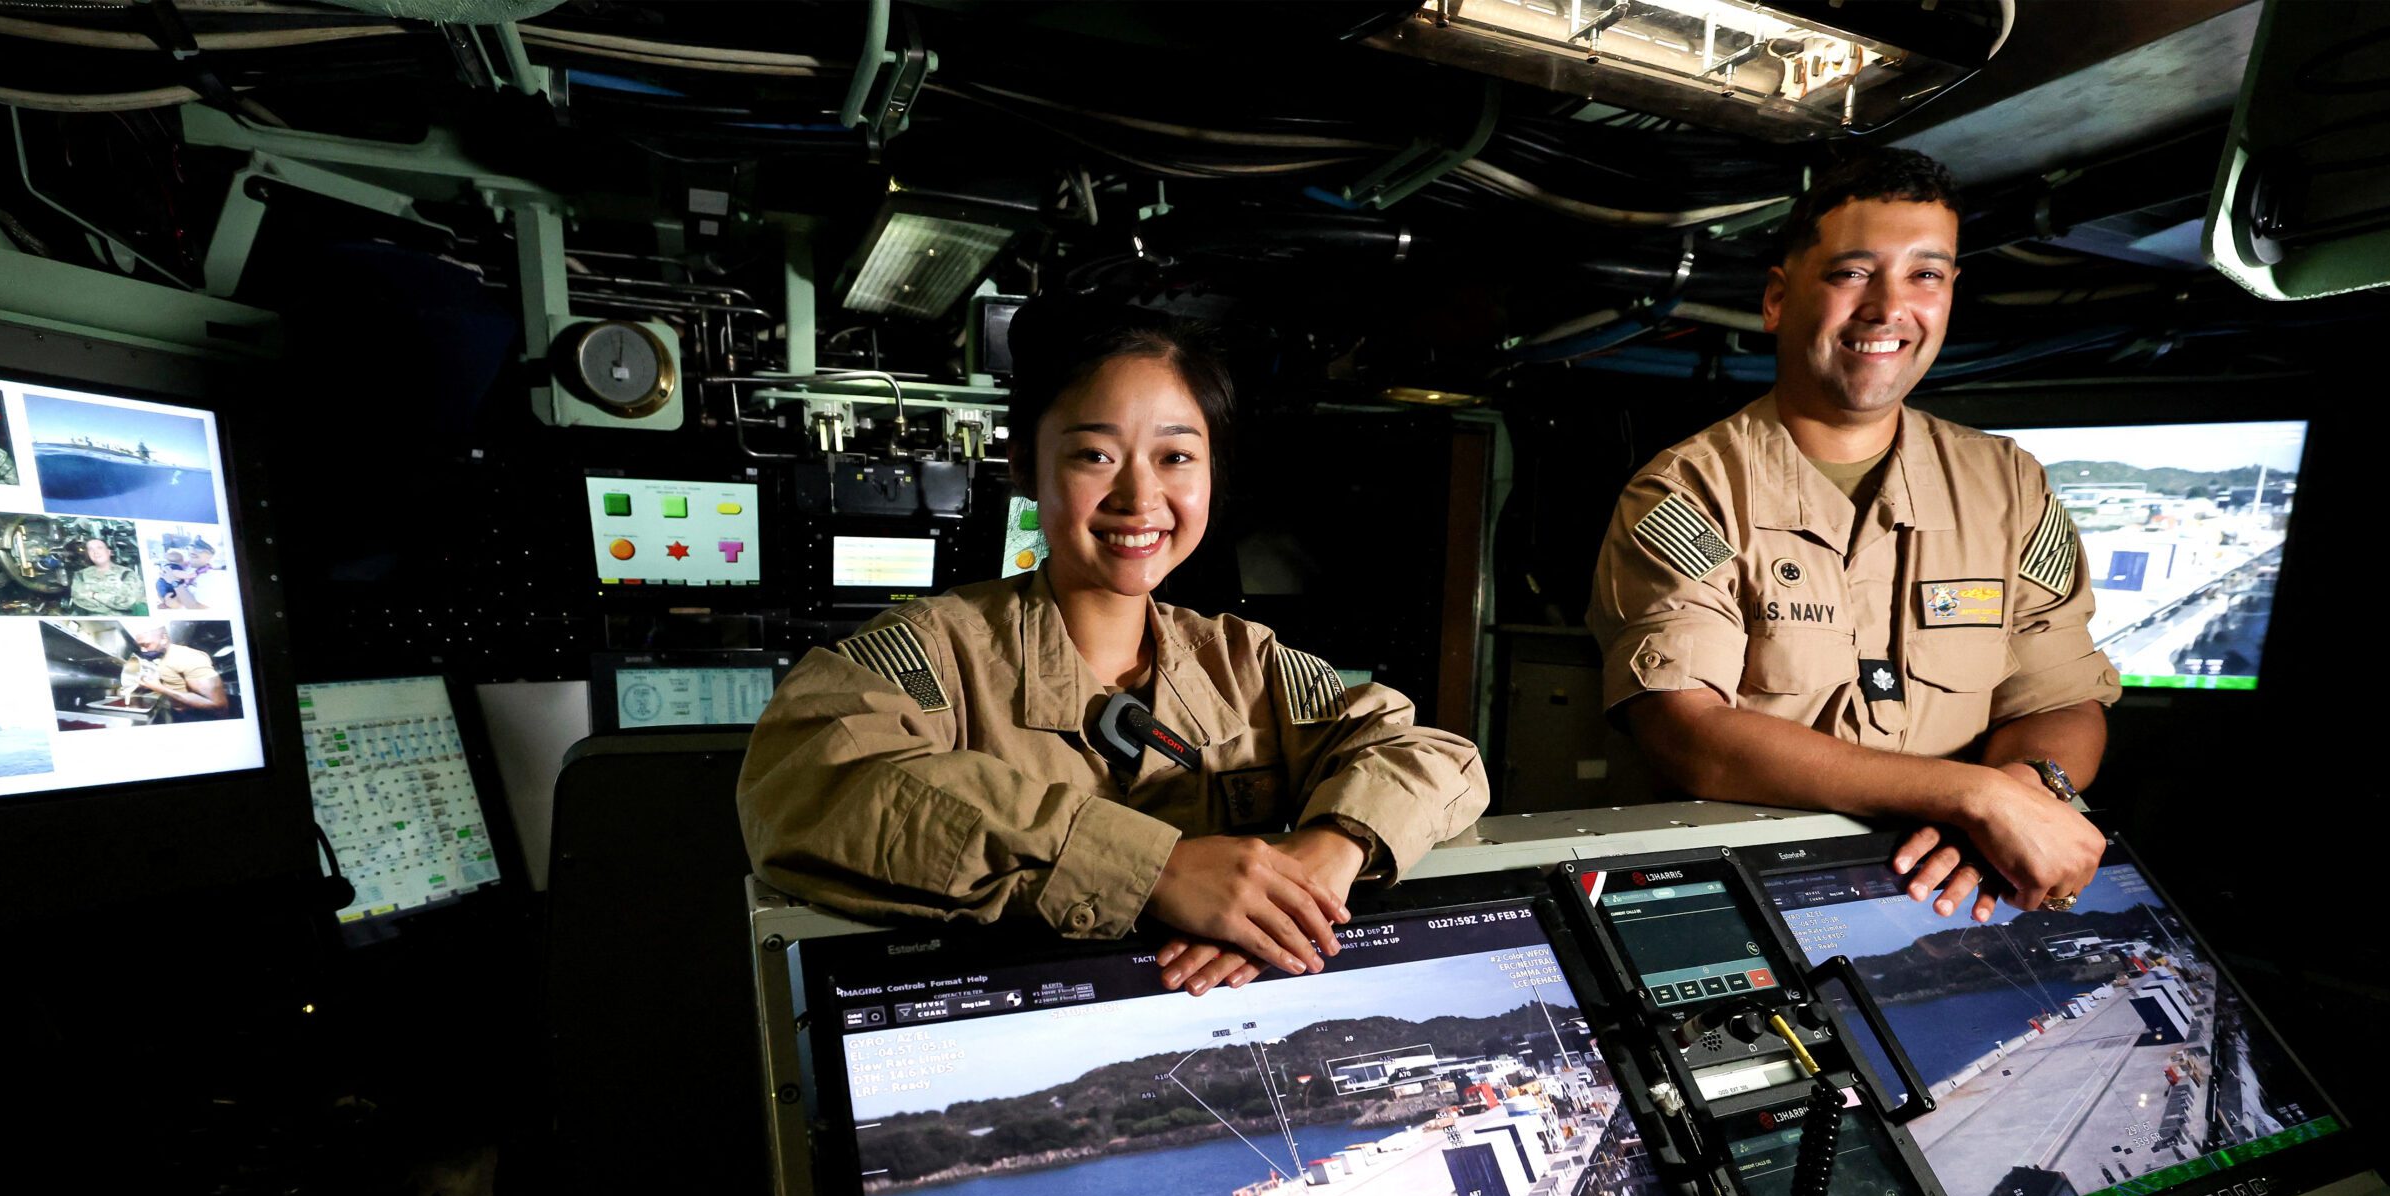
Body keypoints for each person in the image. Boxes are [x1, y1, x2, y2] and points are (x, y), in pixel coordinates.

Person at [739, 299, 1488, 995]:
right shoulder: (930, 656)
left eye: (1176, 456)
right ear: (1025, 467)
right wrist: (1157, 868)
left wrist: (1324, 854)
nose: (1139, 496)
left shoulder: (1244, 662)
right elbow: (812, 783)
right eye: (1095, 455)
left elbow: (1433, 754)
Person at [1589, 149, 2118, 923]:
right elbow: (1688, 733)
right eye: (1852, 273)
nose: (1888, 306)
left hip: (1964, 893)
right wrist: (1973, 795)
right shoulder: (1688, 491)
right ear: (1777, 299)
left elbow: (2063, 696)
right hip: (1757, 905)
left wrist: (2028, 796)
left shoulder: (2009, 485)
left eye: (1925, 275)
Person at [119, 622, 228, 721]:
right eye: (140, 646)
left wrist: (160, 688)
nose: (143, 650)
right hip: (179, 713)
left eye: (146, 645)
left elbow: (217, 704)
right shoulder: (163, 656)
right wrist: (148, 686)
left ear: (164, 638)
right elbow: (175, 682)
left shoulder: (188, 657)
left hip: (197, 717)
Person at [64, 535, 146, 617]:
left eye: (99, 548)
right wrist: (111, 602)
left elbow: (128, 601)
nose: (95, 552)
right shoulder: (80, 575)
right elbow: (78, 598)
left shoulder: (126, 574)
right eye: (90, 549)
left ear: (109, 552)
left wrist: (94, 595)